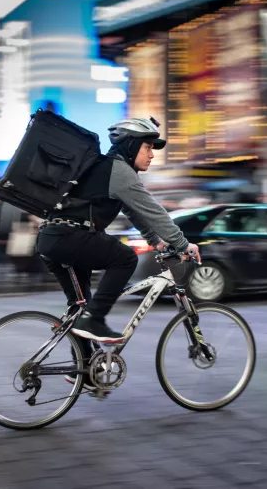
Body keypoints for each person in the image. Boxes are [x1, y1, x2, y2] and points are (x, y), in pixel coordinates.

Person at [36, 117, 201, 347]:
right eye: (148, 147)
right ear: (131, 145)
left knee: (80, 307)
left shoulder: (107, 169)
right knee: (125, 258)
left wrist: (156, 241)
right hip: (70, 237)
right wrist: (183, 244)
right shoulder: (119, 171)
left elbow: (133, 212)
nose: (152, 155)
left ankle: (81, 370)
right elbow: (154, 211)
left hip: (51, 239)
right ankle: (95, 319)